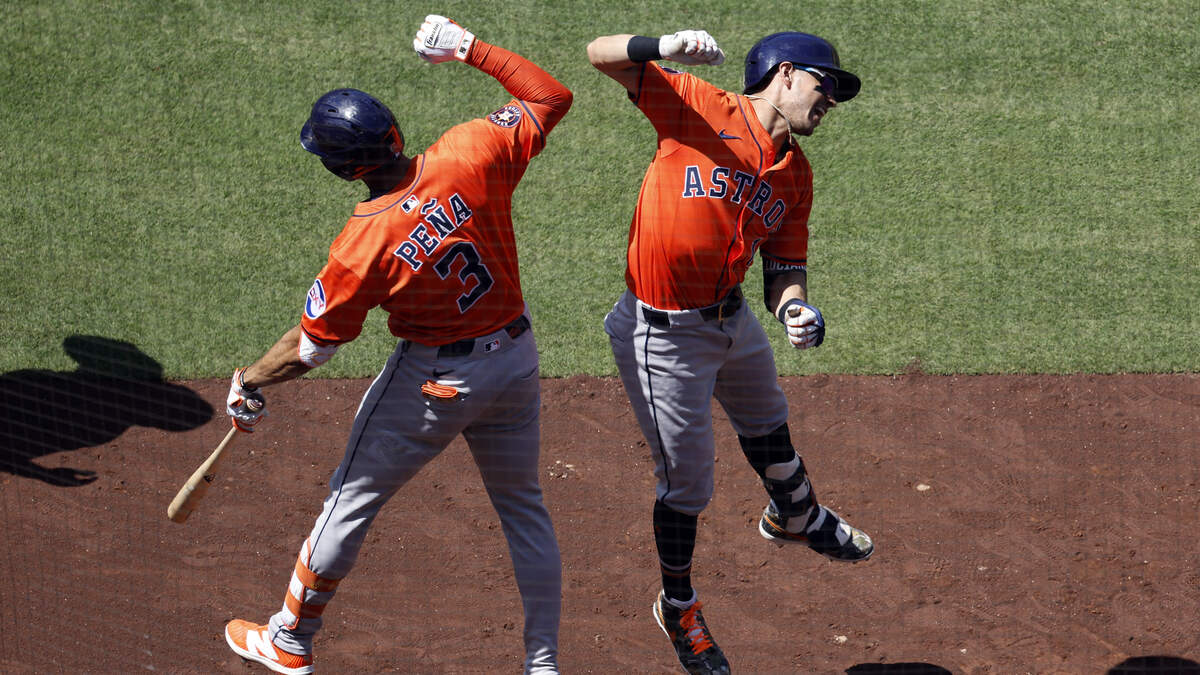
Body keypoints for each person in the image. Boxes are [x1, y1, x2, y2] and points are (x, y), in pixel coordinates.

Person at [220, 15, 572, 675]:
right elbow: (550, 96)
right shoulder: (468, 150)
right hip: (517, 364)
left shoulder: (363, 243)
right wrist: (468, 48)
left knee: (350, 496)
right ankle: (543, 663)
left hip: (436, 384)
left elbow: (312, 347)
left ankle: (289, 640)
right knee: (524, 507)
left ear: (341, 168)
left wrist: (251, 380)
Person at [586, 28, 874, 674]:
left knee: (768, 419)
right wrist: (661, 45)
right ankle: (678, 604)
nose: (832, 102)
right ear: (787, 75)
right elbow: (597, 55)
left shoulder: (795, 174)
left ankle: (795, 512)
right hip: (660, 335)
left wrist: (794, 307)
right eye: (827, 87)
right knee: (688, 483)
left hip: (732, 319)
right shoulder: (695, 106)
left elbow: (783, 269)